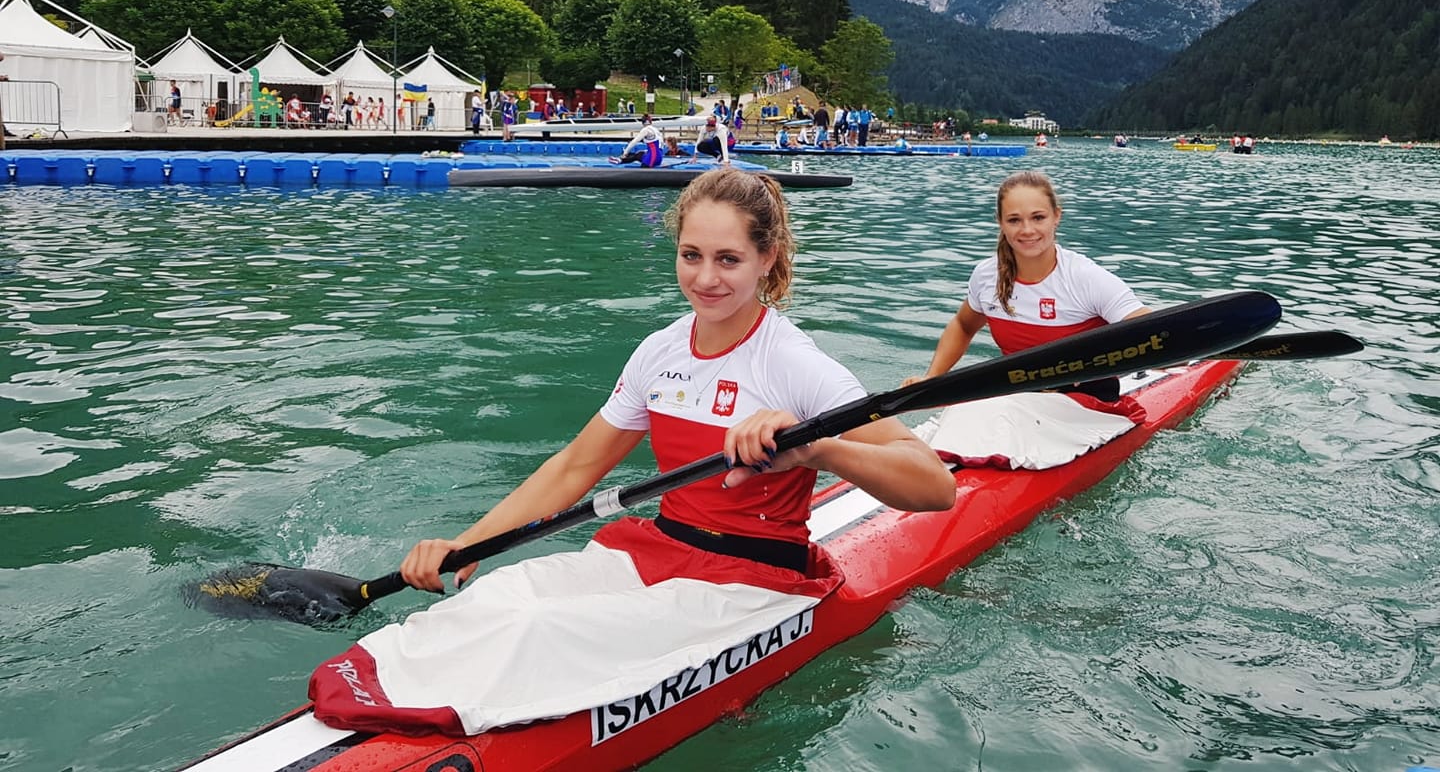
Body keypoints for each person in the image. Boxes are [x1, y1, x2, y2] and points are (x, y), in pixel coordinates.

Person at [353, 169, 954, 734]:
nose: (705, 278)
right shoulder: (659, 352)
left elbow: (933, 486)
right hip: (658, 550)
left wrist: (821, 449)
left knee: (541, 628)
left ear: (766, 260)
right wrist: (468, 542)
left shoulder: (794, 364)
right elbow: (576, 466)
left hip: (752, 581)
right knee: (492, 603)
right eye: (691, 255)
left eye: (729, 260)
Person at [905, 171, 1148, 405]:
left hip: (1090, 406)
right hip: (1019, 400)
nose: (1027, 230)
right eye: (1014, 220)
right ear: (1000, 222)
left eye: (1038, 217)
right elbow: (963, 325)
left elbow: (1153, 335)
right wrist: (932, 379)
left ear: (1056, 216)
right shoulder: (987, 275)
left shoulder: (1086, 277)